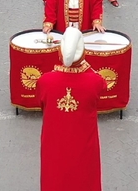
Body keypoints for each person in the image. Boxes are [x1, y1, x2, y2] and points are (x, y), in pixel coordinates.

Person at [37, 27, 106, 191]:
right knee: (84, 176)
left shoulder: (46, 80)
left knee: (54, 176)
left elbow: (42, 104)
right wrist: (83, 66)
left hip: (54, 144)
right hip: (83, 143)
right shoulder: (94, 82)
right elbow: (102, 85)